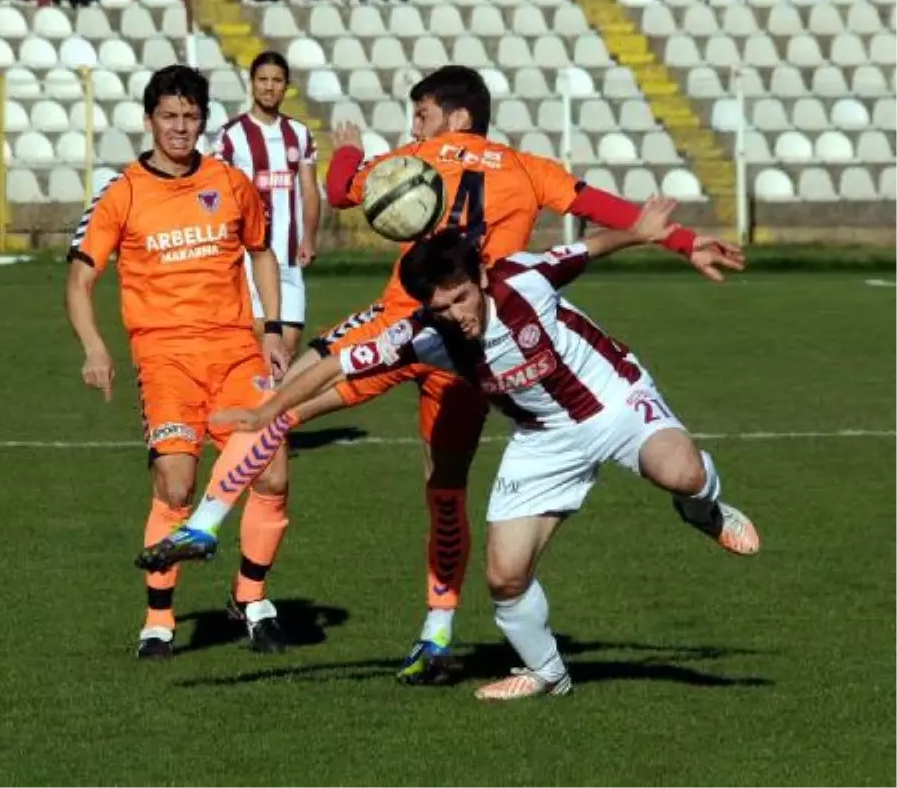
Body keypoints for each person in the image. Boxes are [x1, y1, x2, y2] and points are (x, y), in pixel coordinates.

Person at [138, 65, 745, 684]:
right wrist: (681, 239)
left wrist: (347, 147)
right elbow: (603, 211)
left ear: (455, 117)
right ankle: (435, 633)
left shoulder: (417, 156)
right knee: (444, 488)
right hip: (477, 345)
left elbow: (345, 187)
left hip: (405, 326)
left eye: (421, 114)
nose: (415, 127)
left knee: (290, 399)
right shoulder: (531, 168)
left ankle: (206, 523)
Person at [201, 208, 759, 702]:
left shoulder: (525, 278)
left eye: (461, 298)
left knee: (681, 472)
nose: (454, 314)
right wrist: (266, 412)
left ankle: (703, 509)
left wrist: (645, 234)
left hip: (613, 397)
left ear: (481, 280)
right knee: (504, 576)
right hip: (542, 440)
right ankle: (547, 673)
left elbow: (586, 249)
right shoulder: (421, 333)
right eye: (439, 307)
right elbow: (338, 363)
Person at [65, 65, 293, 661]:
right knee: (176, 483)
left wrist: (271, 326)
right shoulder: (122, 193)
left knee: (272, 471)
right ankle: (158, 621)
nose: (180, 128)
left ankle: (251, 599)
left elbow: (263, 253)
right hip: (164, 357)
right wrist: (95, 346)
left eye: (191, 117)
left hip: (235, 351)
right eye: (169, 116)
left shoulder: (231, 183)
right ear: (149, 121)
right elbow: (79, 279)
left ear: (204, 121)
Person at [214, 52, 319, 357]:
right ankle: (257, 404)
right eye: (263, 80)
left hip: (288, 258)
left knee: (288, 345)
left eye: (276, 80)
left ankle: (270, 404)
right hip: (250, 258)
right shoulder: (231, 136)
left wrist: (309, 237)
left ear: (286, 86)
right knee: (261, 343)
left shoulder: (299, 134)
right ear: (252, 84)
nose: (269, 87)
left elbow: (310, 190)